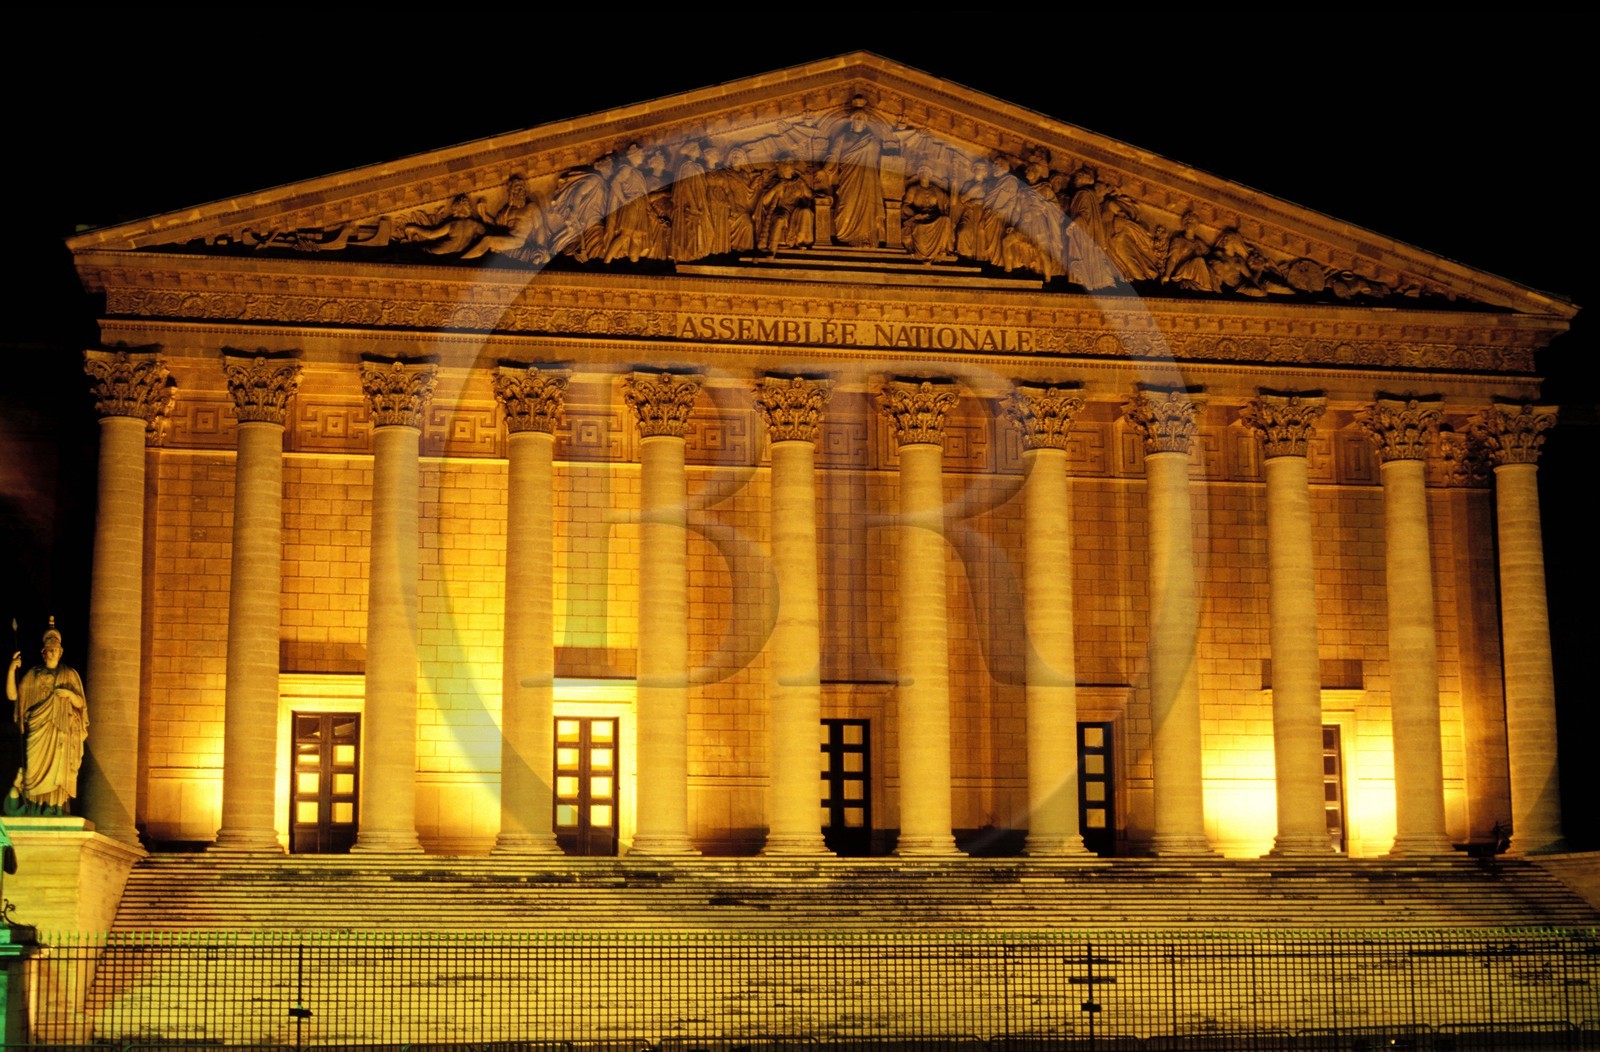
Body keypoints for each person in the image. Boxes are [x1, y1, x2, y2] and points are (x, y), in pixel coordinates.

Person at [5, 619, 89, 816]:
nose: (52, 653)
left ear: (61, 652)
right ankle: (34, 806)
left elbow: (81, 704)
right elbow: (13, 696)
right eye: (49, 650)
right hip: (37, 728)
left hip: (61, 729)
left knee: (58, 768)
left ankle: (53, 806)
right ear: (43, 652)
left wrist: (69, 695)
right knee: (32, 769)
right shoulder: (33, 675)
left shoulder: (69, 674)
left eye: (55, 650)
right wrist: (11, 670)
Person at [821, 102, 886, 247]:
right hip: (849, 176)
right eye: (857, 118)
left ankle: (865, 237)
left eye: (861, 119)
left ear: (865, 123)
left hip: (867, 178)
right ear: (852, 121)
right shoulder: (843, 137)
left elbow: (877, 159)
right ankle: (846, 236)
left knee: (868, 206)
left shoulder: (871, 140)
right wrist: (825, 169)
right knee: (846, 204)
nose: (859, 121)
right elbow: (833, 155)